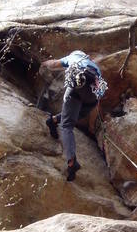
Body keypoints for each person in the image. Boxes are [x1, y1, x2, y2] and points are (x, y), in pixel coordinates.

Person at [39, 50, 107, 181]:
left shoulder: (73, 57)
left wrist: (45, 63)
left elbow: (54, 64)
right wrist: (93, 124)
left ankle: (71, 161)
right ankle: (53, 121)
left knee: (67, 125)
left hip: (76, 87)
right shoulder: (94, 66)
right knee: (74, 116)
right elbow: (99, 92)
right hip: (92, 97)